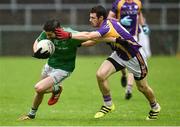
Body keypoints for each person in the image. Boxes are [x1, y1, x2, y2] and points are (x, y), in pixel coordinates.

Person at [54, 5, 161, 120]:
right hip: (119, 55)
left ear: (101, 18)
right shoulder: (104, 25)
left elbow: (89, 36)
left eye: (93, 18)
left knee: (142, 88)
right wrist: (74, 46)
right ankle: (108, 104)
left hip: (134, 58)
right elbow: (92, 41)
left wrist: (69, 35)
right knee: (100, 75)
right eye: (90, 17)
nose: (90, 20)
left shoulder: (106, 27)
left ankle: (155, 107)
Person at [18, 19, 86, 120]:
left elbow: (90, 39)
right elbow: (37, 41)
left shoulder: (71, 35)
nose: (48, 37)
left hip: (64, 68)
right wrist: (36, 51)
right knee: (40, 91)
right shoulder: (47, 33)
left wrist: (87, 41)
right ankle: (31, 115)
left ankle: (57, 89)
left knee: (39, 88)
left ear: (58, 31)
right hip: (49, 65)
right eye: (47, 34)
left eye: (50, 35)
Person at [108, 0, 150, 99]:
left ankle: (129, 88)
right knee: (122, 60)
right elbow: (109, 18)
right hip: (120, 37)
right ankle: (123, 75)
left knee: (132, 61)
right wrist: (120, 21)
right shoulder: (118, 3)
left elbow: (139, 14)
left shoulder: (138, 2)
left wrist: (143, 25)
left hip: (134, 37)